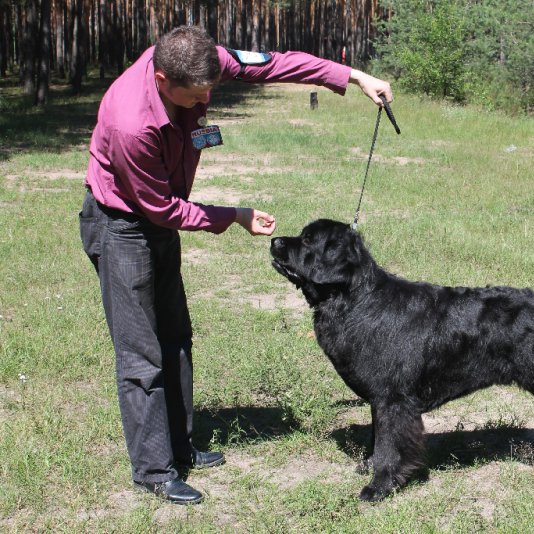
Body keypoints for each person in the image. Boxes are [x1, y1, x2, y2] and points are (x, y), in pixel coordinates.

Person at [79, 25, 392, 505]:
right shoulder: (130, 124)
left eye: (212, 86)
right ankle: (154, 470)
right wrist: (236, 217)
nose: (208, 98)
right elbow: (161, 209)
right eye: (198, 93)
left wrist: (351, 76)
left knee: (176, 336)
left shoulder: (202, 62)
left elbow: (276, 64)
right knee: (141, 353)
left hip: (156, 220)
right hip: (123, 226)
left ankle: (180, 445)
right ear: (162, 80)